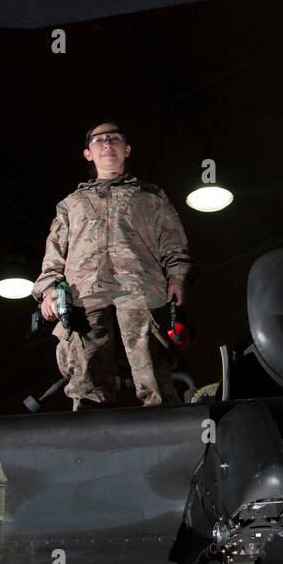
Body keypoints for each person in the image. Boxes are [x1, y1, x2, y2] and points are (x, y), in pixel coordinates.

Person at [33, 121, 191, 409]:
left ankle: (164, 428)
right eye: (100, 140)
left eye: (115, 139)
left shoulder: (151, 196)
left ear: (127, 149)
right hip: (84, 294)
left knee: (151, 366)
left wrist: (177, 278)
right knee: (86, 369)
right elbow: (54, 253)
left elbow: (174, 244)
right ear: (88, 154)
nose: (107, 144)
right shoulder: (71, 204)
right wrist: (48, 290)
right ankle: (91, 435)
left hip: (140, 288)